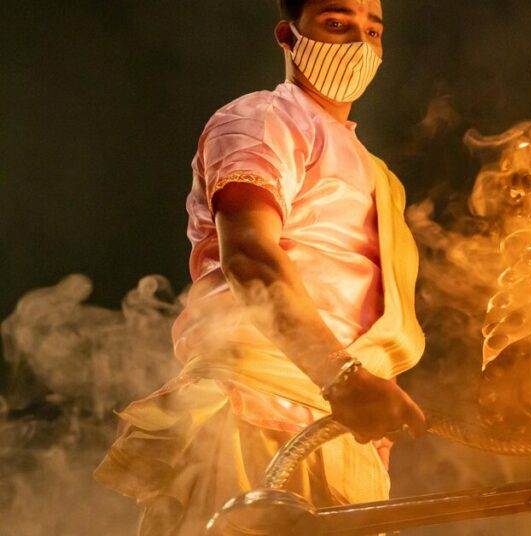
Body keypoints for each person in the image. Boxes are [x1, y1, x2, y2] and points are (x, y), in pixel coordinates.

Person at [95, 0, 427, 533]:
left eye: (373, 30)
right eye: (336, 24)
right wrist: (340, 378)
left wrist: (357, 402)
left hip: (339, 433)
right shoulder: (264, 119)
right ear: (288, 35)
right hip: (254, 415)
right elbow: (250, 256)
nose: (359, 44)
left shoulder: (377, 172)